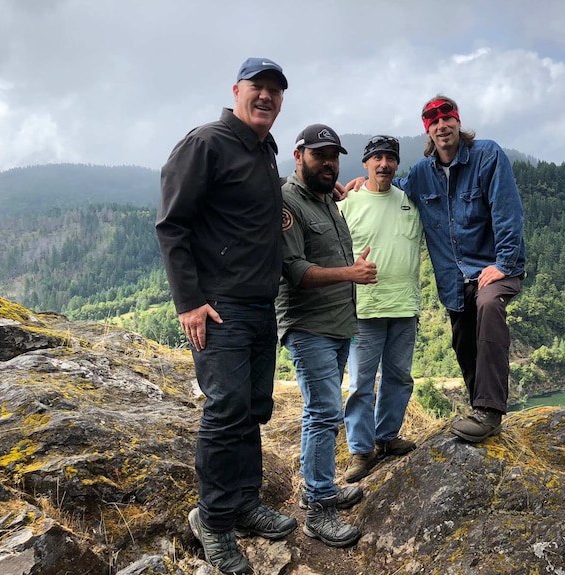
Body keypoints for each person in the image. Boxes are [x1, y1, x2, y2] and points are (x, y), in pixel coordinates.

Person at [156, 57, 296, 575]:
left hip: (261, 304)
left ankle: (243, 503)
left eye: (275, 92)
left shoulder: (264, 149)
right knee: (226, 409)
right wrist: (189, 301)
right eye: (257, 88)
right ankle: (212, 521)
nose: (266, 97)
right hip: (220, 307)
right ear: (237, 89)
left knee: (254, 408)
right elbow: (172, 226)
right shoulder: (206, 143)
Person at [349, 95, 526, 443]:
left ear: (458, 122)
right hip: (453, 280)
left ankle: (490, 412)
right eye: (433, 120)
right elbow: (394, 190)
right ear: (427, 130)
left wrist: (504, 264)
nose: (441, 124)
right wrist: (363, 184)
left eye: (448, 117)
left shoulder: (487, 155)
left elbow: (508, 210)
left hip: (492, 268)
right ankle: (479, 407)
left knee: (489, 308)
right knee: (463, 342)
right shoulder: (421, 174)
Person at [276, 123, 376, 548]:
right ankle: (318, 509)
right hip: (308, 325)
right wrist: (351, 273)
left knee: (323, 411)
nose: (329, 163)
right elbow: (294, 271)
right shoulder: (286, 202)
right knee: (322, 413)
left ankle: (322, 489)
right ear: (299, 156)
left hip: (337, 325)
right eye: (319, 155)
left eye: (334, 156)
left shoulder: (327, 199)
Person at [338, 135, 423, 483]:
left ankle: (387, 438)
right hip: (363, 309)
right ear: (365, 163)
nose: (384, 164)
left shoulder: (411, 202)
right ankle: (361, 450)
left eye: (390, 158)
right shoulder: (348, 204)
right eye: (377, 158)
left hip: (404, 307)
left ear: (397, 165)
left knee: (399, 378)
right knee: (360, 383)